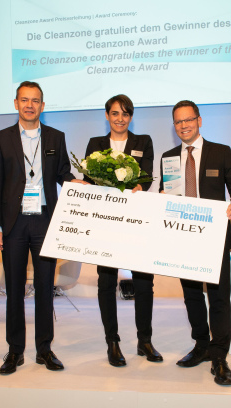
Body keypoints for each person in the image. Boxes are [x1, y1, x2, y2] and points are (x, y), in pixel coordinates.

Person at [0, 81, 84, 374]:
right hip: (13, 223)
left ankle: (44, 349)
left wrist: (80, 185)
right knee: (14, 288)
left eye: (36, 101)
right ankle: (15, 351)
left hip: (45, 219)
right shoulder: (1, 138)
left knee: (45, 287)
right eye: (25, 100)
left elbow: (62, 174)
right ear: (16, 103)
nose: (30, 105)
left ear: (43, 106)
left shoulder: (56, 137)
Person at [159, 100, 231, 386]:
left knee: (219, 297)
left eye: (189, 120)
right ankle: (201, 345)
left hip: (214, 237)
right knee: (192, 296)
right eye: (178, 122)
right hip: (182, 238)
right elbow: (166, 194)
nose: (184, 125)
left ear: (199, 120)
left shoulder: (220, 152)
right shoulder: (168, 157)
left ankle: (219, 356)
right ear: (174, 126)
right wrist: (161, 197)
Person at [84, 94, 161, 366]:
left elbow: (147, 174)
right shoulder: (96, 144)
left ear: (131, 117)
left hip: (137, 219)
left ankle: (145, 340)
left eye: (125, 114)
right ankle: (112, 342)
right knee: (106, 282)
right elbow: (88, 178)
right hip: (105, 220)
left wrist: (139, 186)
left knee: (144, 281)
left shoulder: (144, 141)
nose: (120, 119)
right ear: (107, 116)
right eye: (115, 113)